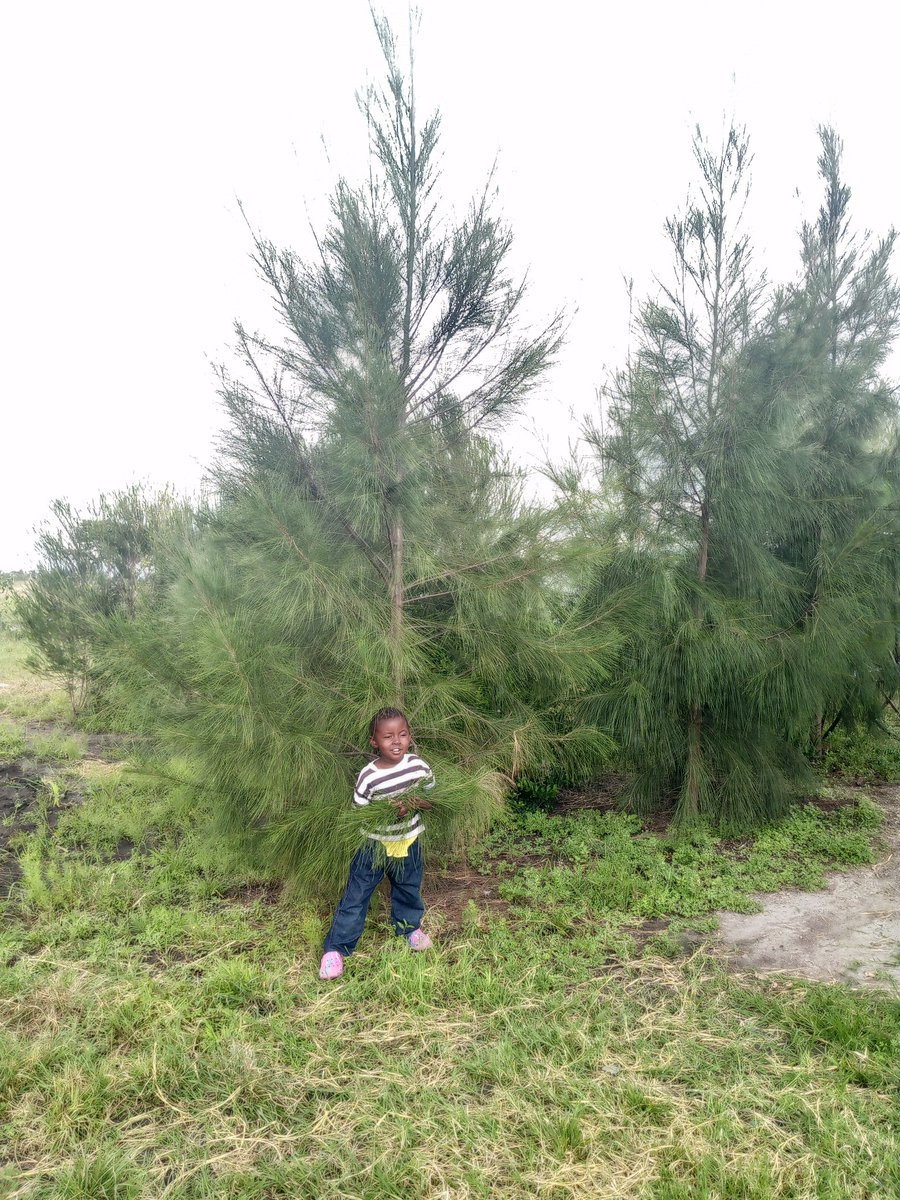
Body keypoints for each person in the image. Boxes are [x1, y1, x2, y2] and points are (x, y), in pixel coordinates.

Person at [319, 706, 435, 980]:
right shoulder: (368, 776)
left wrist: (416, 803)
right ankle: (335, 949)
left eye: (402, 734)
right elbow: (359, 813)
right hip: (373, 846)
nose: (396, 741)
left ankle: (409, 929)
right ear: (374, 742)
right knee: (357, 895)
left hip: (409, 841)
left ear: (409, 736)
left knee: (408, 888)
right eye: (388, 736)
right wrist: (388, 811)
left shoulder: (418, 766)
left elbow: (433, 800)